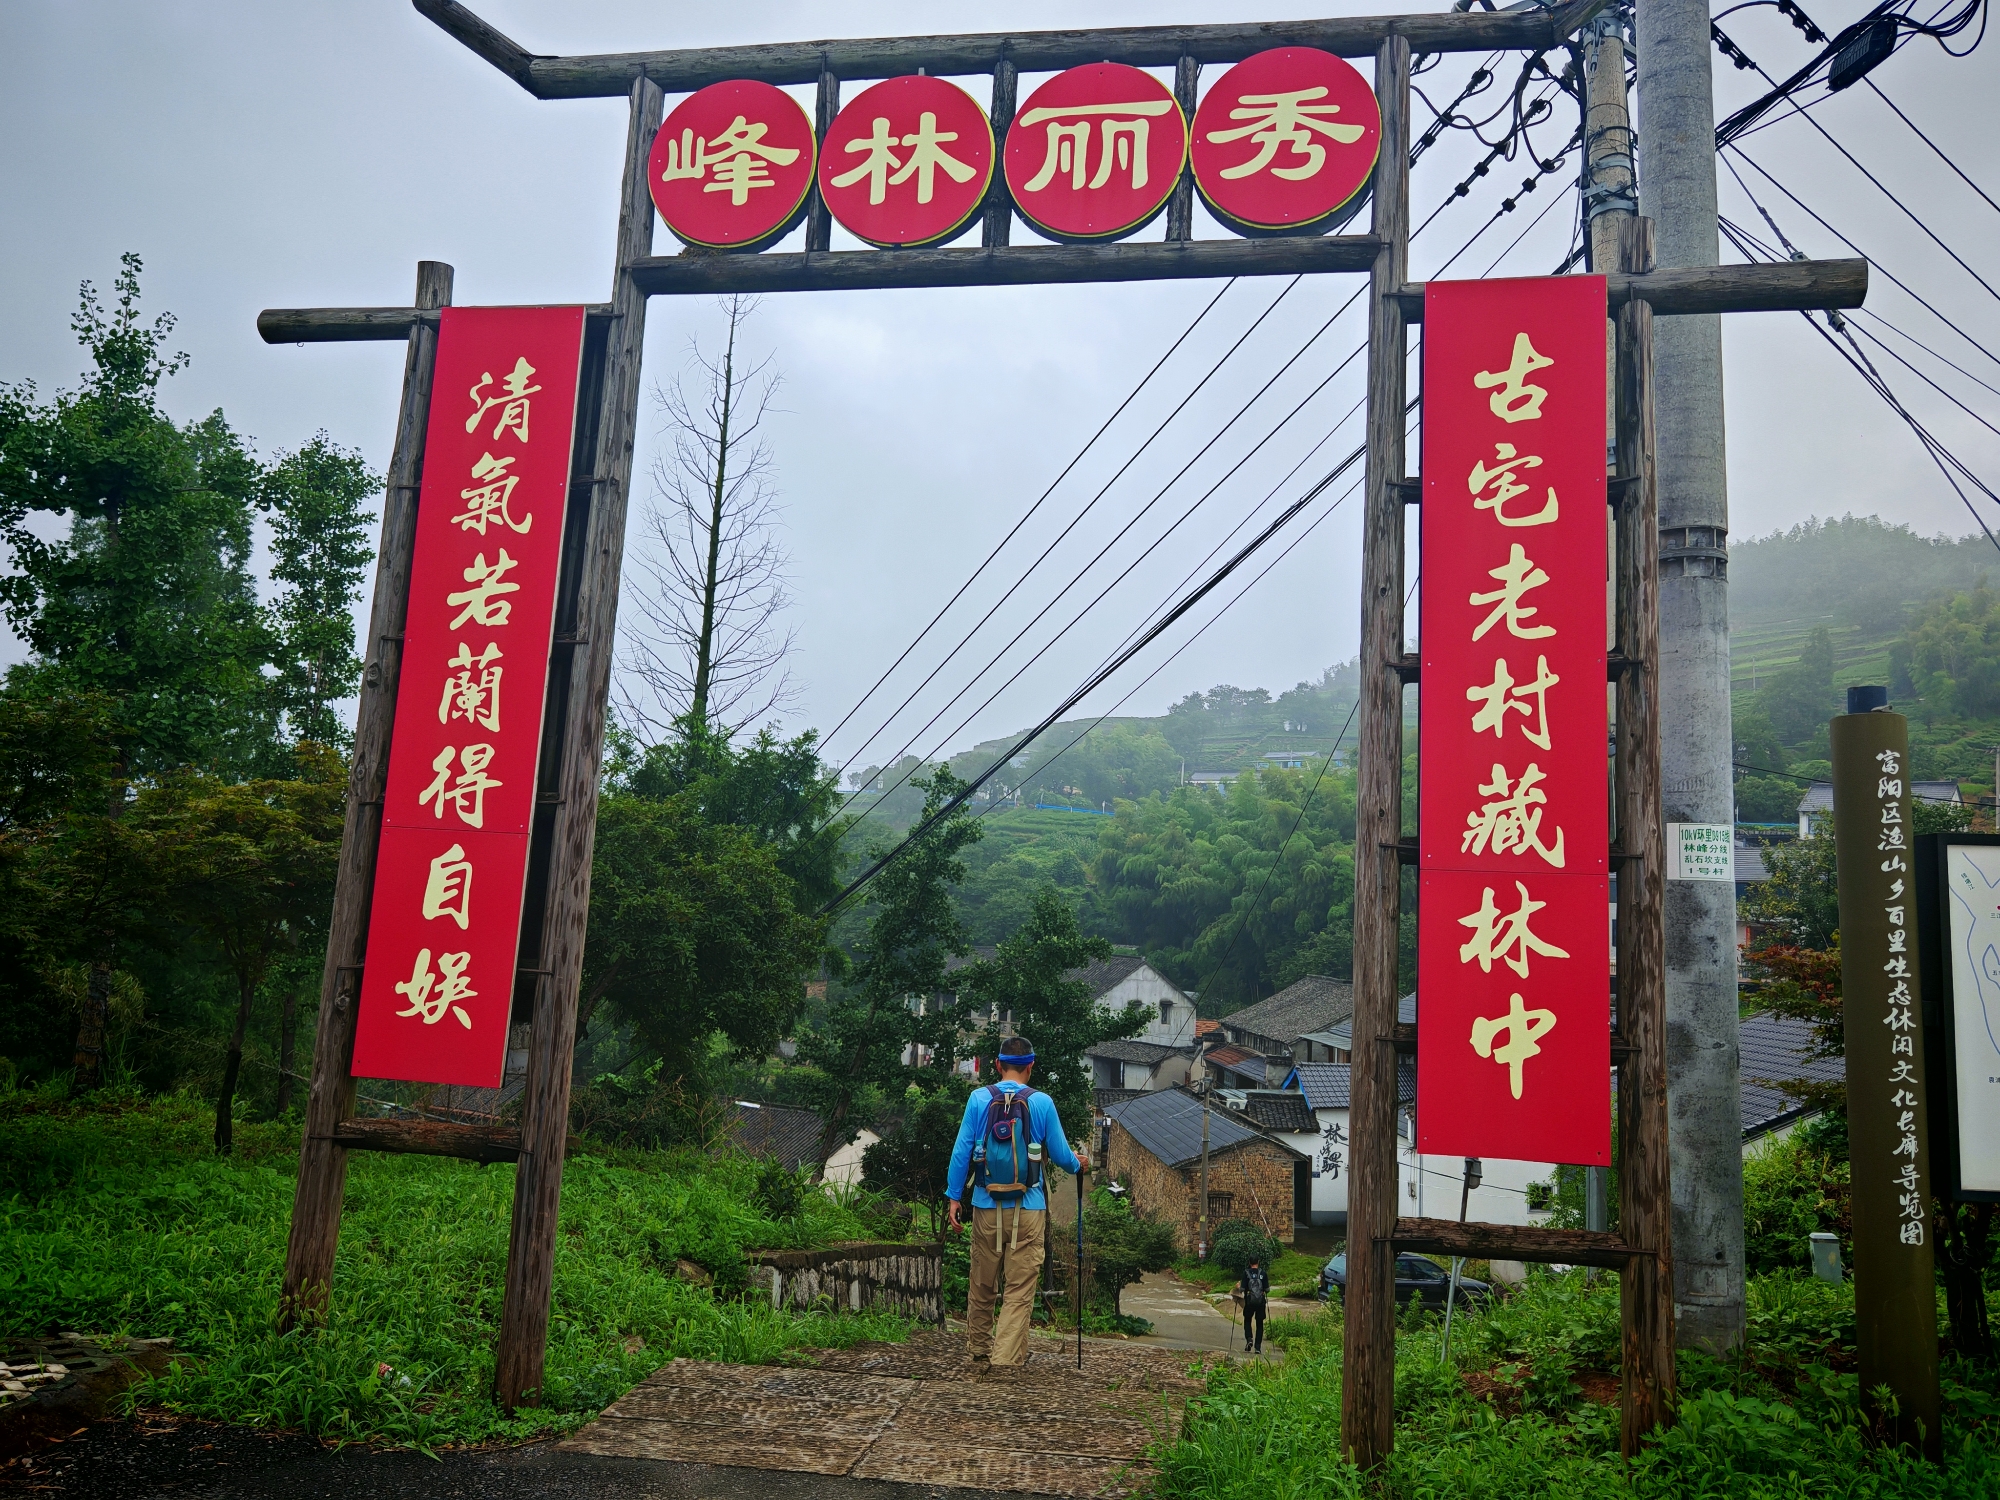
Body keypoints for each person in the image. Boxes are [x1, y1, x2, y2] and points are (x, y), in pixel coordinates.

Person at [944, 1037, 1088, 1367]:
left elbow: (961, 1151)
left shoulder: (979, 1098)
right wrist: (1078, 1163)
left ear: (997, 1065)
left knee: (982, 1283)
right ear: (1031, 1066)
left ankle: (979, 1349)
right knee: (1019, 1291)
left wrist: (954, 1197)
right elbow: (1063, 1157)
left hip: (985, 1206)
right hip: (1029, 1209)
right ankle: (1005, 1362)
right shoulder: (1042, 1103)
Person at [1236, 1253, 1270, 1354]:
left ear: (1249, 1262)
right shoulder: (1263, 1273)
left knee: (1247, 1320)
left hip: (1249, 1301)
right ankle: (1258, 1347)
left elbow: (1242, 1289)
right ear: (1258, 1262)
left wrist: (1238, 1287)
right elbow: (1267, 1290)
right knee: (1259, 1324)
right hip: (1260, 1302)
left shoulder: (1246, 1273)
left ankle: (1249, 1339)